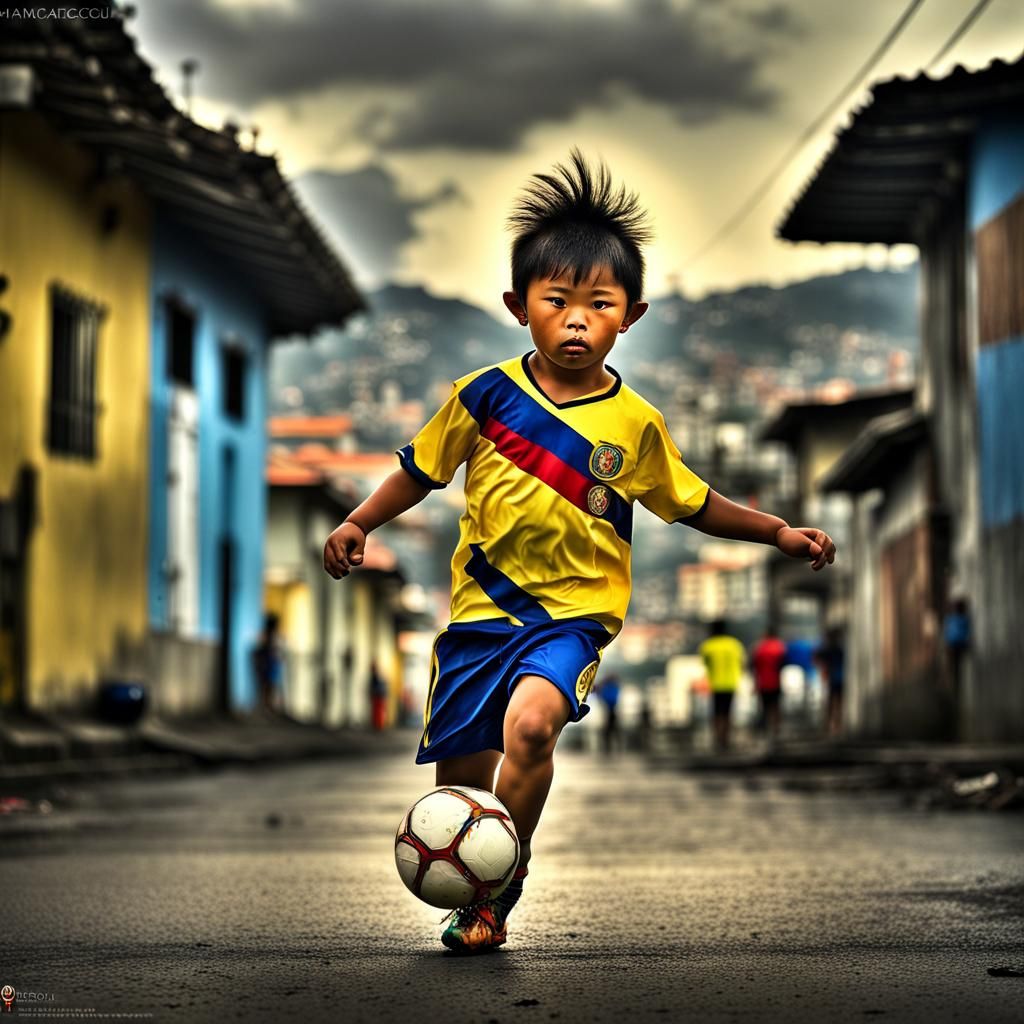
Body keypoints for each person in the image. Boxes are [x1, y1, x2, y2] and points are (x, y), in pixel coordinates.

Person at [322, 149, 837, 954]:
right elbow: (418, 471)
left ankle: (497, 890)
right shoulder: (482, 396)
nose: (574, 320)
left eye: (597, 304)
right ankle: (474, 865)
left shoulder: (636, 425)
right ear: (517, 305)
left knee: (531, 730)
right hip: (480, 616)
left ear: (628, 315)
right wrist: (359, 522)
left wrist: (775, 529)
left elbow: (694, 502)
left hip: (573, 619)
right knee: (461, 788)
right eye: (556, 300)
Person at [699, 620, 745, 752]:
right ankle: (726, 739)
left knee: (717, 713)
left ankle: (717, 740)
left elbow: (705, 663)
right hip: (731, 683)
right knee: (728, 713)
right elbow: (741, 663)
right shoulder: (734, 644)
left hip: (716, 684)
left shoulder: (708, 646)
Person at [750, 622, 787, 742]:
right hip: (776, 682)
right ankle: (776, 732)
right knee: (776, 708)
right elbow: (783, 664)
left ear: (766, 634)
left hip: (763, 683)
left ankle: (766, 734)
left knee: (764, 708)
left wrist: (755, 683)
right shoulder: (780, 647)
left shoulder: (759, 648)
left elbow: (754, 666)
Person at [814, 626, 846, 738]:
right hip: (839, 678)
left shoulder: (829, 649)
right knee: (838, 703)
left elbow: (816, 656)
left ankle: (831, 726)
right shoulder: (839, 649)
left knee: (831, 703)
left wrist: (823, 668)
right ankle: (836, 726)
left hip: (833, 679)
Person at [253, 612, 284, 716]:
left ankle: (267, 707)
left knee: (268, 686)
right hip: (268, 664)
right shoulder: (268, 636)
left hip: (269, 664)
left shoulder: (268, 636)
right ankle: (266, 707)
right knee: (267, 687)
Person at [595, 673, 621, 755]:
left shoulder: (609, 687)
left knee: (609, 730)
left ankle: (609, 748)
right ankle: (613, 748)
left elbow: (607, 698)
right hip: (610, 711)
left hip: (610, 711)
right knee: (612, 730)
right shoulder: (613, 687)